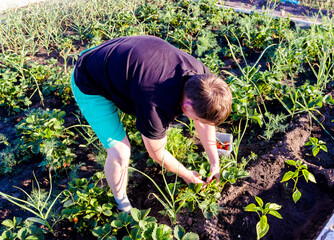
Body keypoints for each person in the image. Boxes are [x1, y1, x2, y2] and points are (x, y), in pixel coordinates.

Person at [70, 35, 232, 213]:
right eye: (196, 119)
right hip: (89, 77)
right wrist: (187, 175)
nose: (197, 122)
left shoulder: (203, 80)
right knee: (120, 152)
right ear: (187, 105)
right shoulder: (155, 102)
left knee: (152, 121)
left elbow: (205, 122)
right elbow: (156, 153)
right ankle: (121, 204)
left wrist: (214, 163)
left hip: (119, 58)